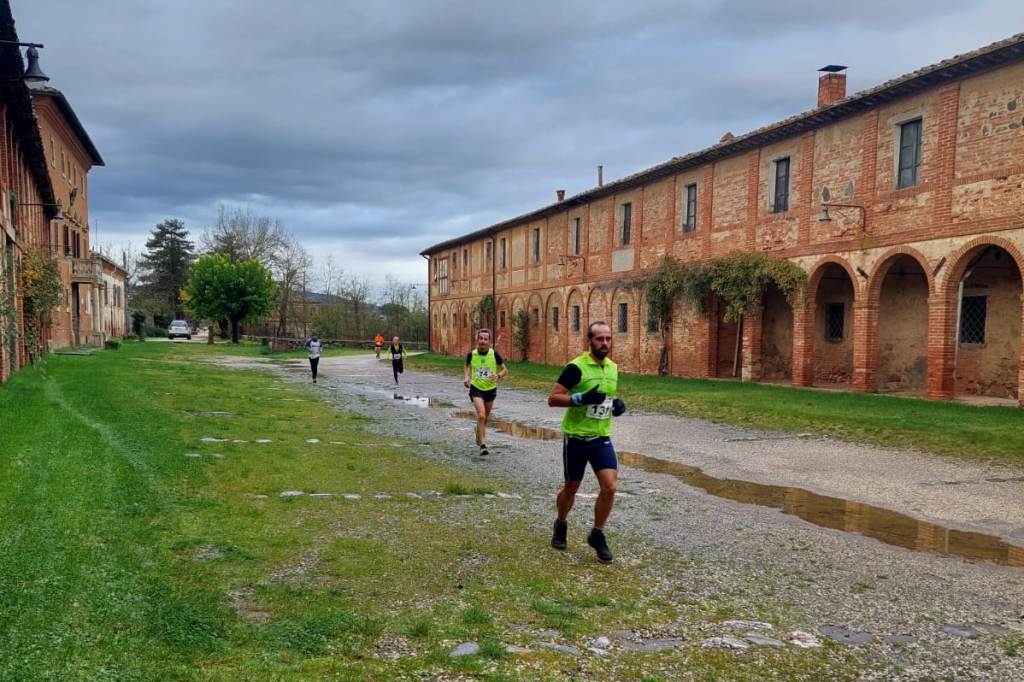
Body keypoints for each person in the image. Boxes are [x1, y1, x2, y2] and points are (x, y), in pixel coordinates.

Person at [547, 321, 626, 564]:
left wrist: (617, 405)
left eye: (608, 339)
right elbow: (553, 398)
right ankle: (561, 523)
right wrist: (580, 398)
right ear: (589, 341)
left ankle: (597, 534)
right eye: (599, 339)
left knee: (610, 487)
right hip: (576, 438)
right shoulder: (576, 367)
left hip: (601, 437)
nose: (605, 343)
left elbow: (606, 399)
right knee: (571, 487)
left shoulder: (612, 368)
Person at [463, 329, 508, 456]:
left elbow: (505, 370)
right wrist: (466, 377)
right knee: (481, 415)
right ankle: (483, 445)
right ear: (477, 340)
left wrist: (498, 376)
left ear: (489, 342)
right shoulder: (472, 354)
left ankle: (478, 432)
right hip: (476, 388)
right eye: (480, 338)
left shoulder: (494, 355)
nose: (482, 341)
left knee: (485, 418)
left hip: (490, 389)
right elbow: (466, 365)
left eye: (485, 339)